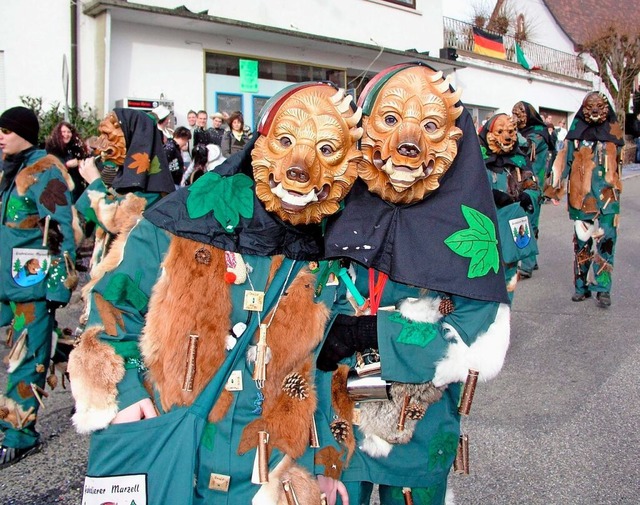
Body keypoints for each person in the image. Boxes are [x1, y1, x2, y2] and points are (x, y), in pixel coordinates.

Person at [68, 82, 364, 504]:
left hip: (272, 472)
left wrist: (327, 462)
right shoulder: (178, 223)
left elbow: (329, 365)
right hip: (177, 456)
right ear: (260, 144)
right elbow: (109, 311)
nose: (302, 166)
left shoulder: (329, 253)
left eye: (326, 150)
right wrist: (129, 390)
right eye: (286, 141)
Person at [318, 63, 510, 505]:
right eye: (389, 120)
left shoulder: (472, 226)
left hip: (418, 423)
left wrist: (375, 334)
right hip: (335, 421)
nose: (409, 141)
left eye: (428, 125)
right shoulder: (332, 201)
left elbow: (477, 332)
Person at [0, 106, 78, 468]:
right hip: (5, 284)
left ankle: (19, 434)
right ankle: (73, 359)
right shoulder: (8, 170)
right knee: (34, 351)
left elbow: (61, 231)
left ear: (24, 134)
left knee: (26, 358)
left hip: (30, 285)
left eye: (6, 130)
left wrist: (58, 287)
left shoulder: (45, 170)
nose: (1, 135)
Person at [562, 91, 624, 307]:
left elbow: (619, 166)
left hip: (609, 199)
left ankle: (603, 288)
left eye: (600, 106)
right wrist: (555, 190)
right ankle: (582, 287)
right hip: (582, 199)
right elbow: (564, 162)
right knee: (581, 243)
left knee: (606, 242)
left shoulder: (615, 135)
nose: (595, 110)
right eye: (590, 106)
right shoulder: (576, 135)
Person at [478, 113, 538, 299]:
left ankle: (503, 324)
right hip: (485, 229)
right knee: (483, 282)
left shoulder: (519, 160)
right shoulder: (477, 160)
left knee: (508, 280)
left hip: (512, 227)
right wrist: (490, 196)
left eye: (510, 131)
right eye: (500, 131)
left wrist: (528, 196)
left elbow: (534, 186)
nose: (506, 136)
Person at [511, 101, 553, 279]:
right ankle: (531, 260)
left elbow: (526, 146)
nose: (516, 116)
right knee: (530, 221)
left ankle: (526, 265)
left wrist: (511, 131)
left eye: (519, 113)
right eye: (513, 112)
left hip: (533, 185)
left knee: (526, 222)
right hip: (522, 184)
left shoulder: (538, 134)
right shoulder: (523, 132)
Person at [45, 121, 89, 202]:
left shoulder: (75, 148)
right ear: (58, 133)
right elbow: (51, 170)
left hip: (77, 190)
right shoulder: (52, 150)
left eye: (69, 132)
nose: (66, 134)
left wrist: (79, 163)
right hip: (62, 191)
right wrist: (66, 165)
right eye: (63, 132)